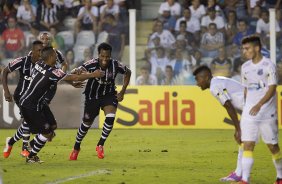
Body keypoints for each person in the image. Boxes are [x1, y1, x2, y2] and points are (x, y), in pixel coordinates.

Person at [19, 46, 105, 163]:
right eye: (55, 55)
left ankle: (32, 144)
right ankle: (31, 157)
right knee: (48, 133)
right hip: (30, 106)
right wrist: (93, 75)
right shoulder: (52, 72)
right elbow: (74, 76)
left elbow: (64, 77)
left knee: (53, 126)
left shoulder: (40, 64)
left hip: (39, 103)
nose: (57, 56)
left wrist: (72, 83)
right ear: (50, 57)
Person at [69, 42, 131, 160]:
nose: (104, 59)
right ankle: (76, 147)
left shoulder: (115, 65)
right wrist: (92, 75)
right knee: (86, 124)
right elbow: (74, 73)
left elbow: (128, 72)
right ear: (98, 55)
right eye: (102, 56)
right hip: (92, 96)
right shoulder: (91, 64)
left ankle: (100, 144)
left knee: (110, 117)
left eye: (107, 57)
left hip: (108, 95)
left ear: (110, 56)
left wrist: (122, 91)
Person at [237, 35, 282, 184]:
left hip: (267, 113)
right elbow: (245, 90)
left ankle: (280, 177)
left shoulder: (269, 65)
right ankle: (245, 179)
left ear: (257, 48)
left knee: (273, 146)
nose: (245, 51)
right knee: (247, 145)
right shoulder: (245, 67)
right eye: (243, 49)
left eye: (247, 48)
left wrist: (259, 104)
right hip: (250, 113)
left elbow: (272, 89)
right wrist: (245, 106)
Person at [193, 65, 243, 182]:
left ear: (205, 77)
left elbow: (229, 106)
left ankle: (240, 174)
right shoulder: (218, 80)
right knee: (244, 142)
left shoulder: (214, 87)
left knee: (247, 140)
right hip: (253, 108)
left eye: (198, 80)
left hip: (255, 109)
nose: (197, 84)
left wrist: (238, 128)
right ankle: (239, 173)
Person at [2, 40, 43, 158]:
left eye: (42, 50)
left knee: (30, 122)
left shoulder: (43, 64)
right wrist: (6, 90)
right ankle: (25, 147)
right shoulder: (22, 61)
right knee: (28, 119)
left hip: (34, 97)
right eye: (39, 50)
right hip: (21, 96)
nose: (41, 53)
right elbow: (5, 71)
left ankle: (10, 142)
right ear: (33, 51)